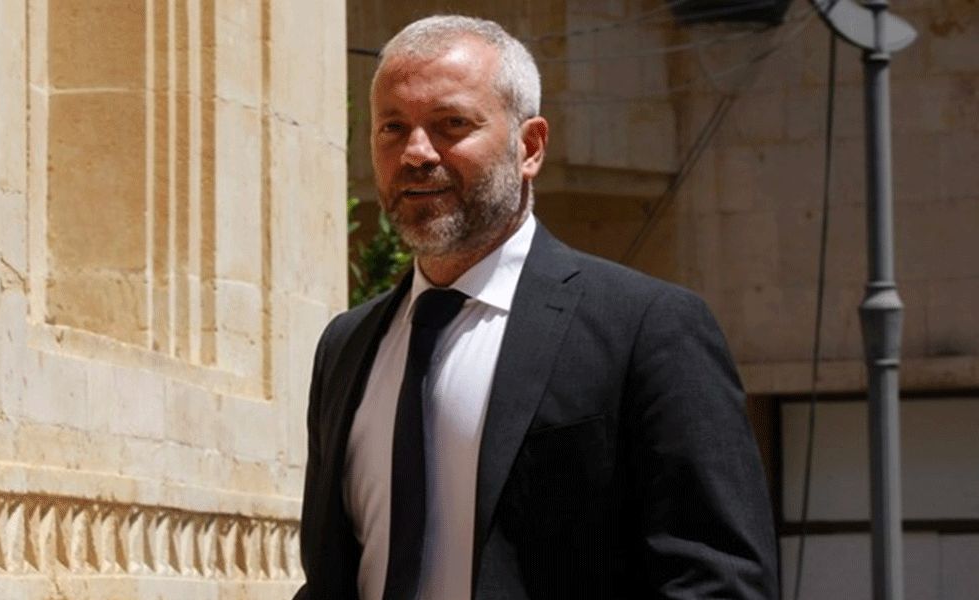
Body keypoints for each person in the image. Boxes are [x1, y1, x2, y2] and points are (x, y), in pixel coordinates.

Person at [293, 14, 778, 600]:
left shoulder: (648, 329)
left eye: (451, 124)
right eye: (393, 128)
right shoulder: (345, 347)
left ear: (530, 146)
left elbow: (718, 582)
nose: (416, 152)